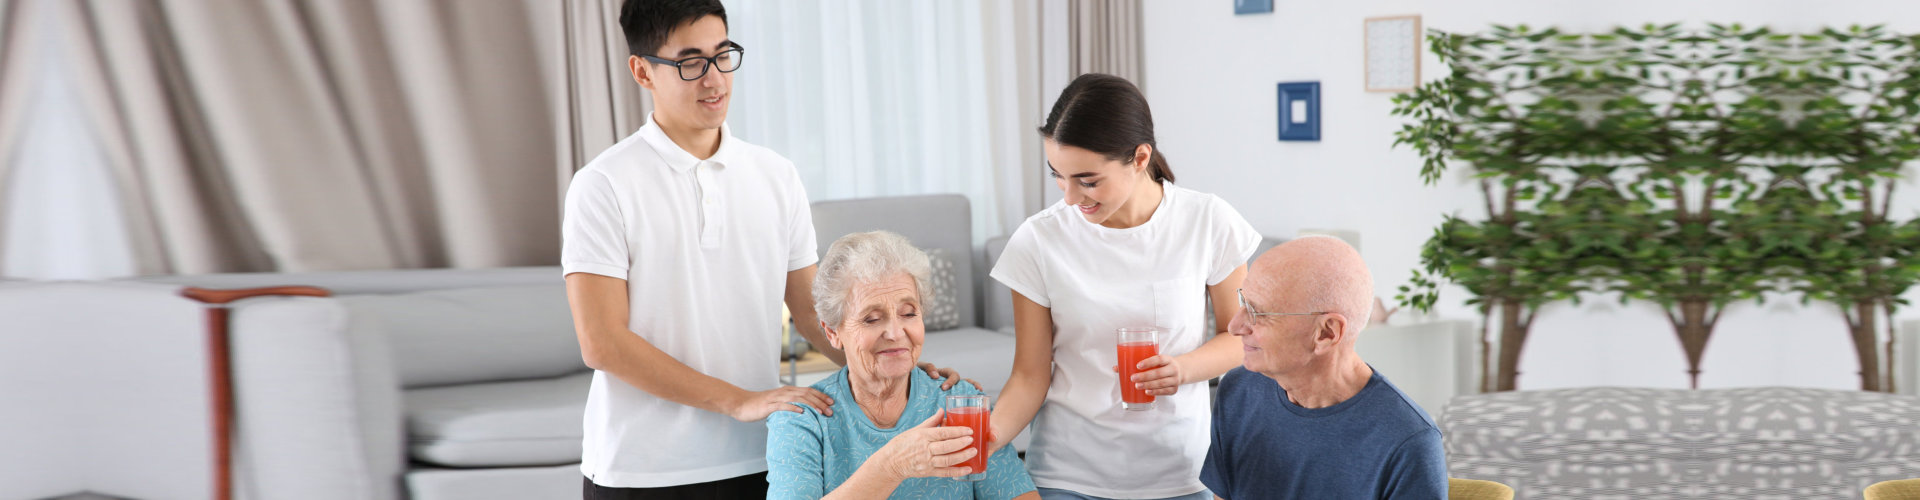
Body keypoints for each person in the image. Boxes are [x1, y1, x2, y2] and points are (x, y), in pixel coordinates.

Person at [561, 1, 965, 497]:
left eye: (723, 54)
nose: (715, 80)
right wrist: (739, 401)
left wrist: (898, 368)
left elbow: (815, 313)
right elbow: (601, 342)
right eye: (691, 63)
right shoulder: (603, 184)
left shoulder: (776, 175)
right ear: (642, 70)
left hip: (761, 457)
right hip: (642, 470)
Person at [987, 73, 1262, 500]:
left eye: (1088, 180)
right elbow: (1029, 375)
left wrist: (1183, 369)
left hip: (1181, 473)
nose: (1070, 197)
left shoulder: (1207, 221)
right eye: (1058, 176)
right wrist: (986, 439)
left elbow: (1242, 337)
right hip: (1068, 474)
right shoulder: (1038, 240)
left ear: (1139, 157)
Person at [766, 231, 1040, 499]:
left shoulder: (959, 401)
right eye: (872, 319)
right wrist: (892, 466)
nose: (896, 333)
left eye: (909, 313)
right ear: (833, 332)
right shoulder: (801, 419)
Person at [1202, 236, 1448, 499]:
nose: (1234, 327)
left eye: (1258, 313)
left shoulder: (1409, 442)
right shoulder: (1240, 390)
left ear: (1326, 333)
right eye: (1243, 303)